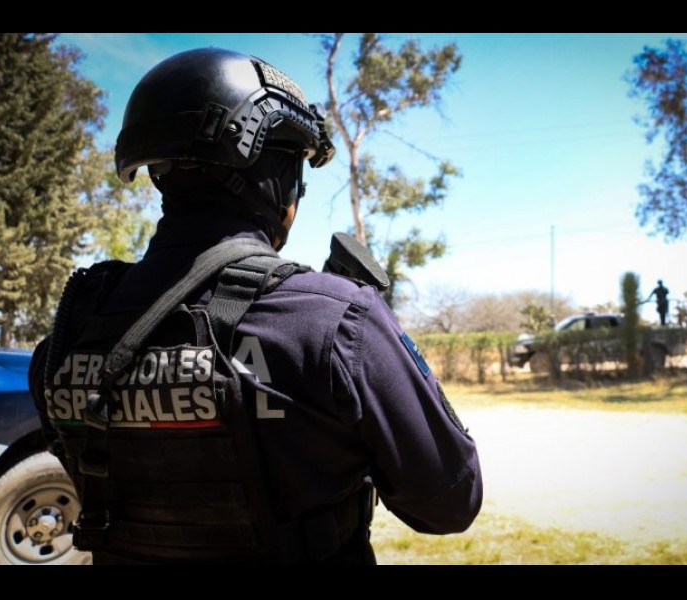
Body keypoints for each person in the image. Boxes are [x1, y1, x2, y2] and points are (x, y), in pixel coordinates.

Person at [28, 48, 482, 565]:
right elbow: (451, 504)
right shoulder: (334, 319)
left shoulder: (67, 338)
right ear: (278, 175)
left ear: (157, 174)